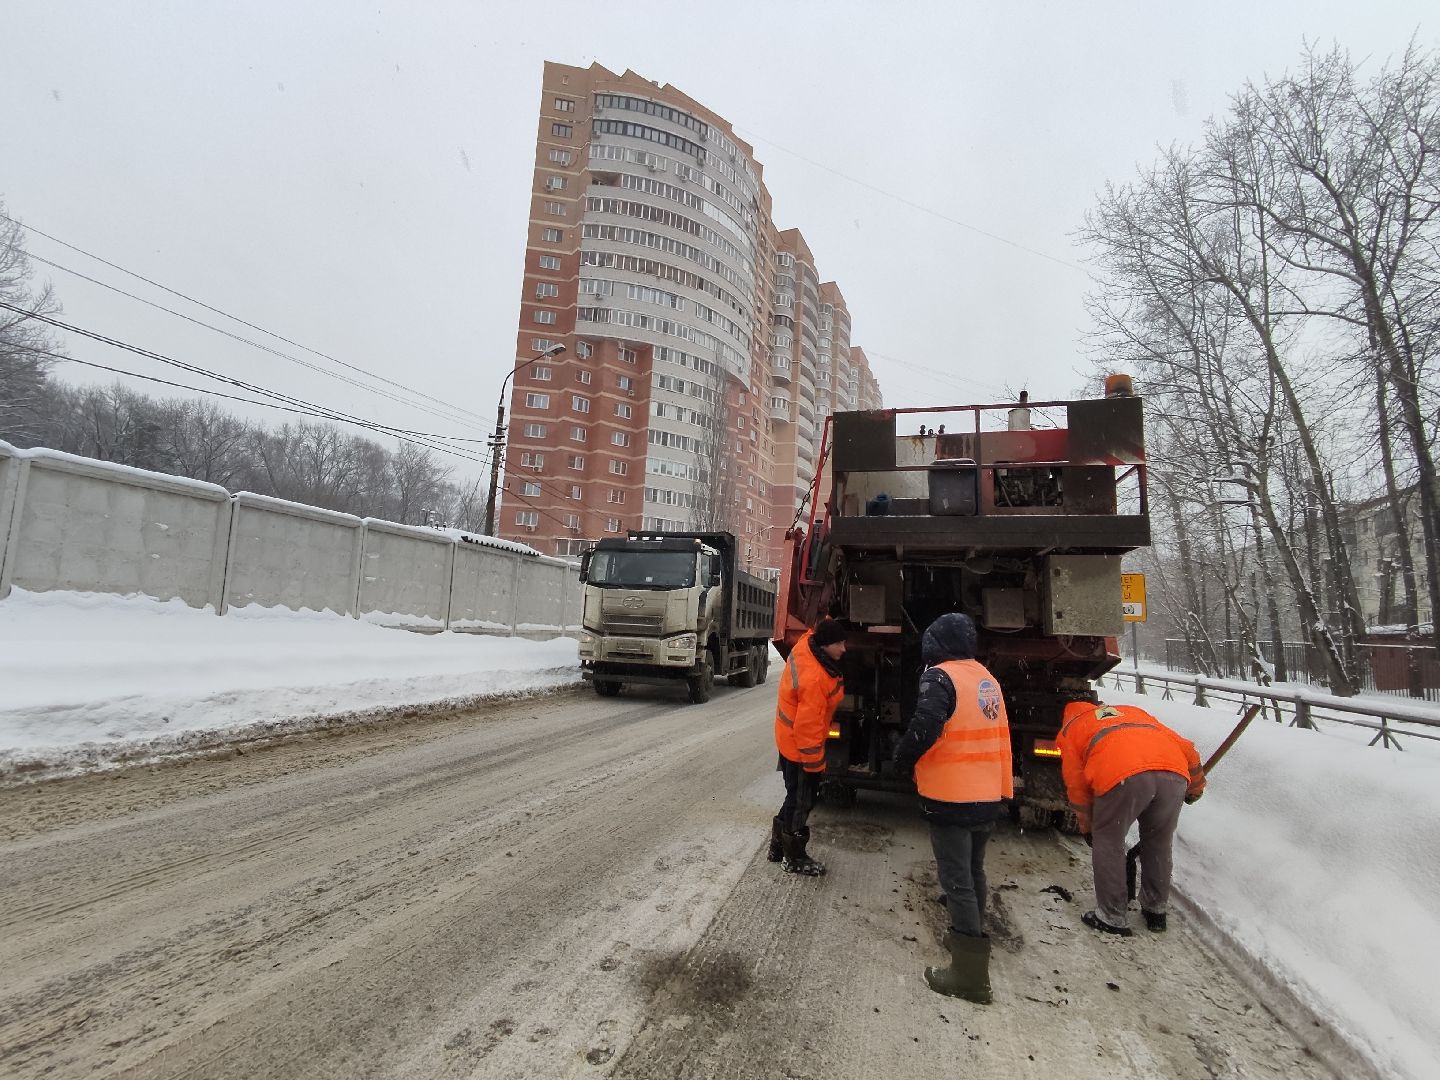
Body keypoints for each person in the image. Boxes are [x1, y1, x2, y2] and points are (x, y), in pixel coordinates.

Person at [892, 612, 1011, 1004]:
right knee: (973, 871)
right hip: (987, 793)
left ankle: (970, 975)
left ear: (937, 645)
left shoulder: (940, 678)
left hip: (952, 794)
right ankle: (969, 931)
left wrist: (902, 759)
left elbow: (925, 726)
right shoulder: (985, 678)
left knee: (956, 878)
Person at [1057, 698, 1206, 936]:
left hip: (1122, 776)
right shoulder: (1133, 712)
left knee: (1109, 841)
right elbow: (1187, 749)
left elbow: (1077, 788)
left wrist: (1088, 827)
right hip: (1174, 775)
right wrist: (1196, 788)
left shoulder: (1072, 729)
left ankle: (1112, 916)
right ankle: (1156, 910)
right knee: (1158, 842)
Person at [768, 618, 846, 876]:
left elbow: (817, 627)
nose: (844, 649)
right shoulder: (814, 679)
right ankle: (794, 858)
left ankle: (778, 847)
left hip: (787, 738)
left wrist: (830, 617)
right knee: (802, 800)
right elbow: (807, 728)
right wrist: (814, 768)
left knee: (793, 796)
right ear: (825, 645)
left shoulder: (806, 645)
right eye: (839, 643)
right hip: (799, 749)